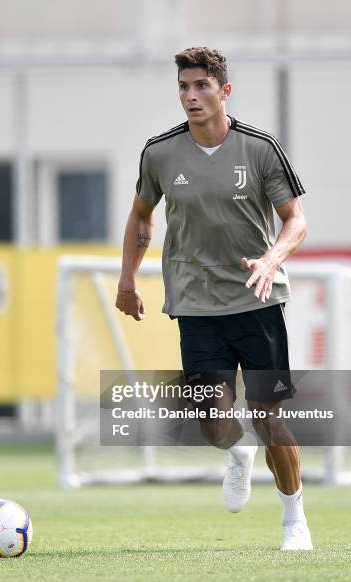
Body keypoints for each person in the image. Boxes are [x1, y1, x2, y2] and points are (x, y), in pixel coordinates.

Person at [115, 47, 312, 551]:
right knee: (213, 420)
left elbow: (296, 220)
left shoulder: (261, 149)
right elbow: (141, 216)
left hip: (258, 301)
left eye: (201, 85)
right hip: (196, 306)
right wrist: (127, 279)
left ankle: (295, 521)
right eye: (184, 86)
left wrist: (270, 260)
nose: (190, 96)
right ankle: (237, 451)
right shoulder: (159, 153)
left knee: (270, 415)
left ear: (224, 91)